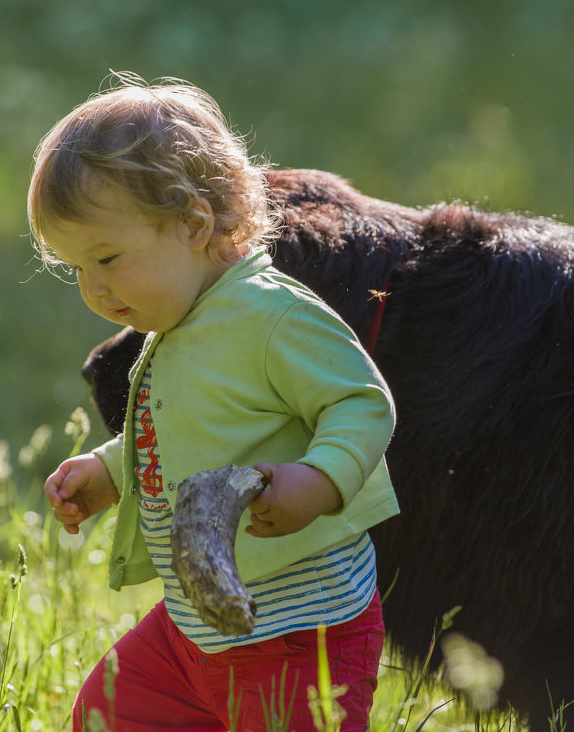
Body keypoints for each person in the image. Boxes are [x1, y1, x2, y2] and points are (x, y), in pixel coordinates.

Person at [27, 74, 399, 732]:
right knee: (109, 713)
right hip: (195, 627)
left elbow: (362, 402)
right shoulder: (180, 323)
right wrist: (111, 471)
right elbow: (186, 427)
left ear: (194, 223)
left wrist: (318, 480)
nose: (93, 288)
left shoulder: (270, 314)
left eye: (107, 257)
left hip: (297, 629)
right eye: (75, 268)